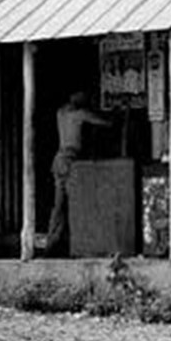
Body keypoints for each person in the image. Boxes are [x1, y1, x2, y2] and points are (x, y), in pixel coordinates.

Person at [44, 91, 113, 256]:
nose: (83, 99)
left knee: (59, 205)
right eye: (81, 96)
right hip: (70, 160)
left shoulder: (61, 112)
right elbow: (104, 122)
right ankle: (76, 244)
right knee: (76, 203)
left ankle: (53, 242)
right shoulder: (79, 113)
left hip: (60, 159)